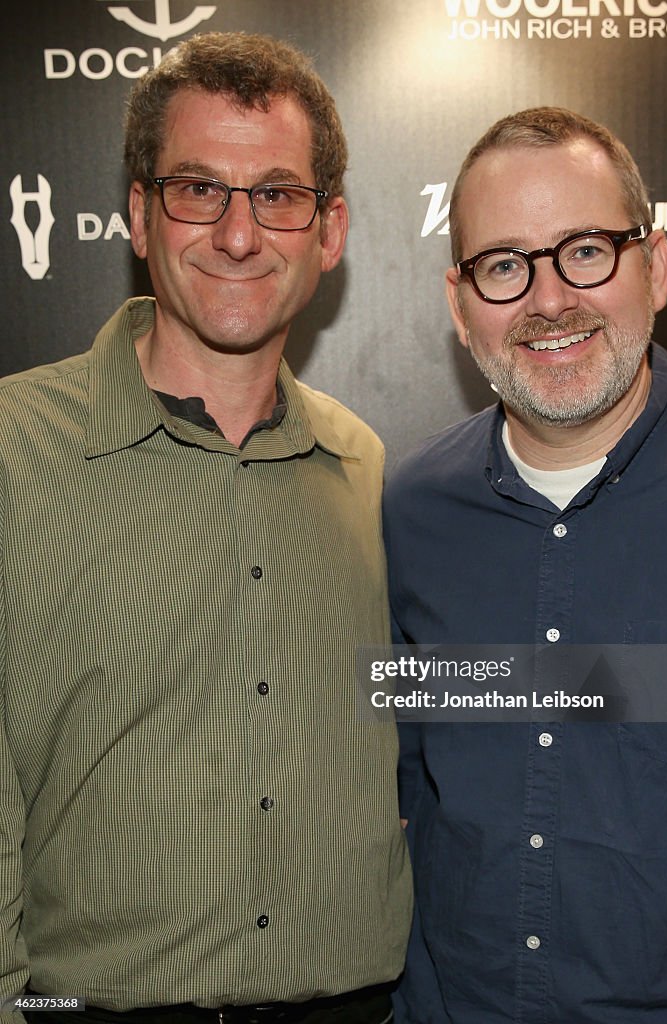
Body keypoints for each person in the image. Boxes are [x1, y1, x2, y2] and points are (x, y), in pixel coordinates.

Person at [0, 31, 411, 1024]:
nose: (239, 236)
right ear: (140, 215)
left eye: (277, 194)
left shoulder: (364, 465)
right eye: (199, 190)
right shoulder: (12, 450)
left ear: (331, 228)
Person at [384, 107, 667, 1024]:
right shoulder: (410, 509)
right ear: (459, 302)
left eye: (585, 250)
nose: (549, 300)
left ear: (657, 264)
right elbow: (400, 790)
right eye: (505, 264)